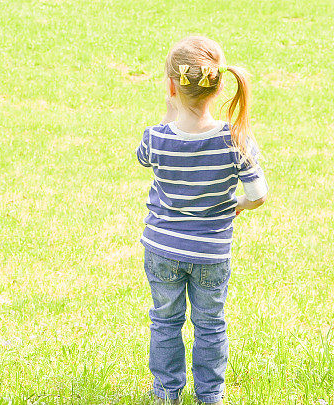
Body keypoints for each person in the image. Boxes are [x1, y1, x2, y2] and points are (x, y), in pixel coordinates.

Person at [136, 36, 268, 405]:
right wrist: (238, 204)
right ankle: (210, 395)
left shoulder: (156, 138)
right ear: (220, 85)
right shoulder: (234, 138)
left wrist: (167, 113)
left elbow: (144, 158)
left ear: (171, 86)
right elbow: (258, 195)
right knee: (210, 324)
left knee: (165, 321)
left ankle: (166, 393)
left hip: (162, 249)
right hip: (211, 253)